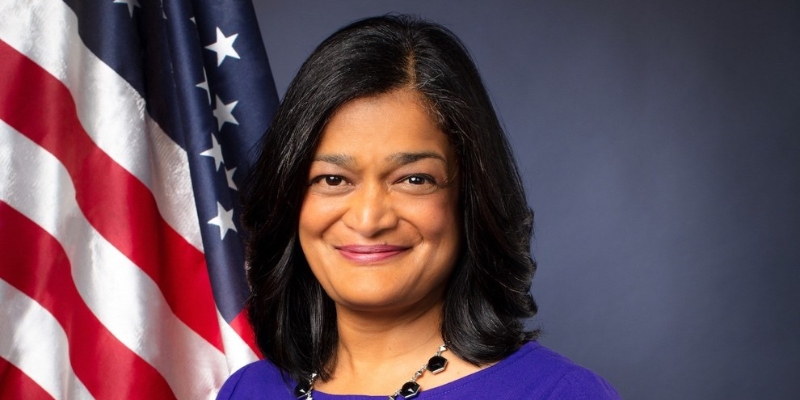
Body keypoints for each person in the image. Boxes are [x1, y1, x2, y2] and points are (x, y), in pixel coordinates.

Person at [219, 14, 619, 400]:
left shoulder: (560, 393)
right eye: (333, 180)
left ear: (470, 198)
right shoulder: (246, 391)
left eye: (414, 180)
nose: (369, 219)